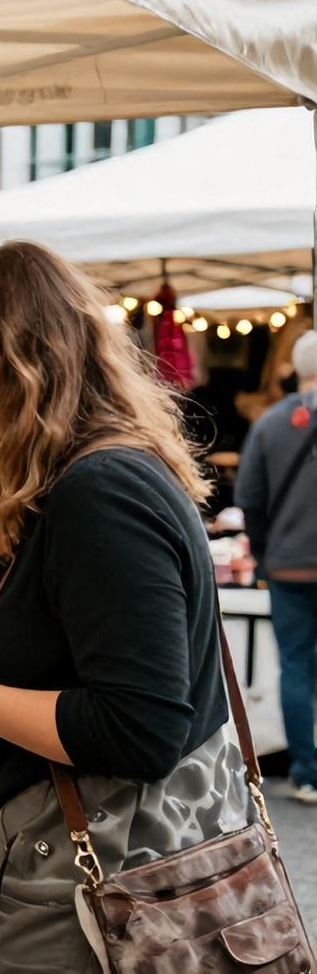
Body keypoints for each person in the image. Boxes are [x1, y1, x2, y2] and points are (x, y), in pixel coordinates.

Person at [0, 242, 246, 971]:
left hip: (99, 887)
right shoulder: (79, 479)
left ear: (16, 359)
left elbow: (139, 727)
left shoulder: (100, 490)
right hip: (86, 876)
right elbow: (66, 665)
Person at [236, 329, 317, 803]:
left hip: (287, 568)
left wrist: (267, 555)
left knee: (295, 667)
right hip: (289, 563)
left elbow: (248, 498)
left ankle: (307, 773)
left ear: (295, 370)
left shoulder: (271, 423)